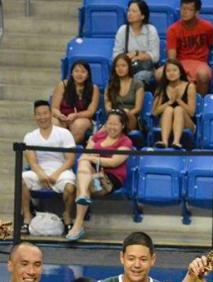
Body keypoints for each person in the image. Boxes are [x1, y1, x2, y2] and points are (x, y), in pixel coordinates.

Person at [67, 110, 133, 241]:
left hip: (108, 179)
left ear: (123, 126)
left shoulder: (126, 142)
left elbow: (114, 162)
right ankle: (82, 200)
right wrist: (90, 157)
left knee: (82, 180)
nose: (111, 127)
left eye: (115, 124)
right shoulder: (99, 136)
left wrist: (94, 158)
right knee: (84, 163)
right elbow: (85, 154)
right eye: (109, 123)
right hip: (91, 174)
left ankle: (78, 223)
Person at [21, 100, 77, 236]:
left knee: (70, 187)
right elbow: (32, 161)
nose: (42, 117)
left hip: (61, 171)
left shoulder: (64, 133)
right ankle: (27, 217)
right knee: (21, 180)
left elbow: (70, 160)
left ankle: (67, 215)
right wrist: (41, 174)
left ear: (51, 114)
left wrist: (55, 175)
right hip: (39, 171)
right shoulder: (29, 136)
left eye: (45, 113)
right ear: (35, 116)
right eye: (39, 114)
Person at [162, 0, 213, 96]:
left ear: (197, 12)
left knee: (203, 74)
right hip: (180, 63)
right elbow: (171, 58)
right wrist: (180, 73)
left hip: (200, 62)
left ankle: (200, 101)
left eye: (189, 9)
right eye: (183, 9)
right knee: (158, 74)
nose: (185, 12)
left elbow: (212, 46)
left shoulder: (207, 27)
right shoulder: (173, 29)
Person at [112, 0, 160, 87]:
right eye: (129, 10)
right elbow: (116, 56)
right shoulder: (122, 30)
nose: (129, 13)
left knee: (140, 77)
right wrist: (129, 58)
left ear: (142, 16)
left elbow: (155, 57)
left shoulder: (151, 30)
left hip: (146, 68)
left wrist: (136, 54)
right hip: (127, 68)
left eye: (134, 11)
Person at [52, 61, 100, 145]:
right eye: (76, 71)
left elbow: (91, 112)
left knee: (78, 125)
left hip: (82, 118)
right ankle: (57, 149)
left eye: (83, 72)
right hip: (62, 117)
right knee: (54, 122)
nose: (79, 74)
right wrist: (59, 115)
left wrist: (76, 115)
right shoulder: (63, 85)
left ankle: (69, 149)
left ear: (88, 75)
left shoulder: (94, 88)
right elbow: (54, 108)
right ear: (72, 73)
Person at [152, 59, 197, 149]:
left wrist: (178, 100)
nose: (171, 73)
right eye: (168, 71)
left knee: (178, 109)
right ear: (165, 74)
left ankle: (176, 142)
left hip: (187, 123)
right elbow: (154, 112)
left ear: (180, 72)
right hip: (165, 123)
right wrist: (169, 102)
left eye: (174, 70)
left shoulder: (190, 86)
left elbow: (192, 113)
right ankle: (164, 142)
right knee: (169, 109)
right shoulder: (161, 87)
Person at [105, 55, 145, 135]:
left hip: (131, 117)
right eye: (117, 66)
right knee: (111, 124)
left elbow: (138, 108)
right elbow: (108, 105)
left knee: (125, 112)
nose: (120, 69)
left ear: (129, 67)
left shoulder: (138, 84)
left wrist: (124, 114)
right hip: (114, 118)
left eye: (123, 66)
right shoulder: (110, 85)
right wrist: (114, 114)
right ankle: (94, 140)